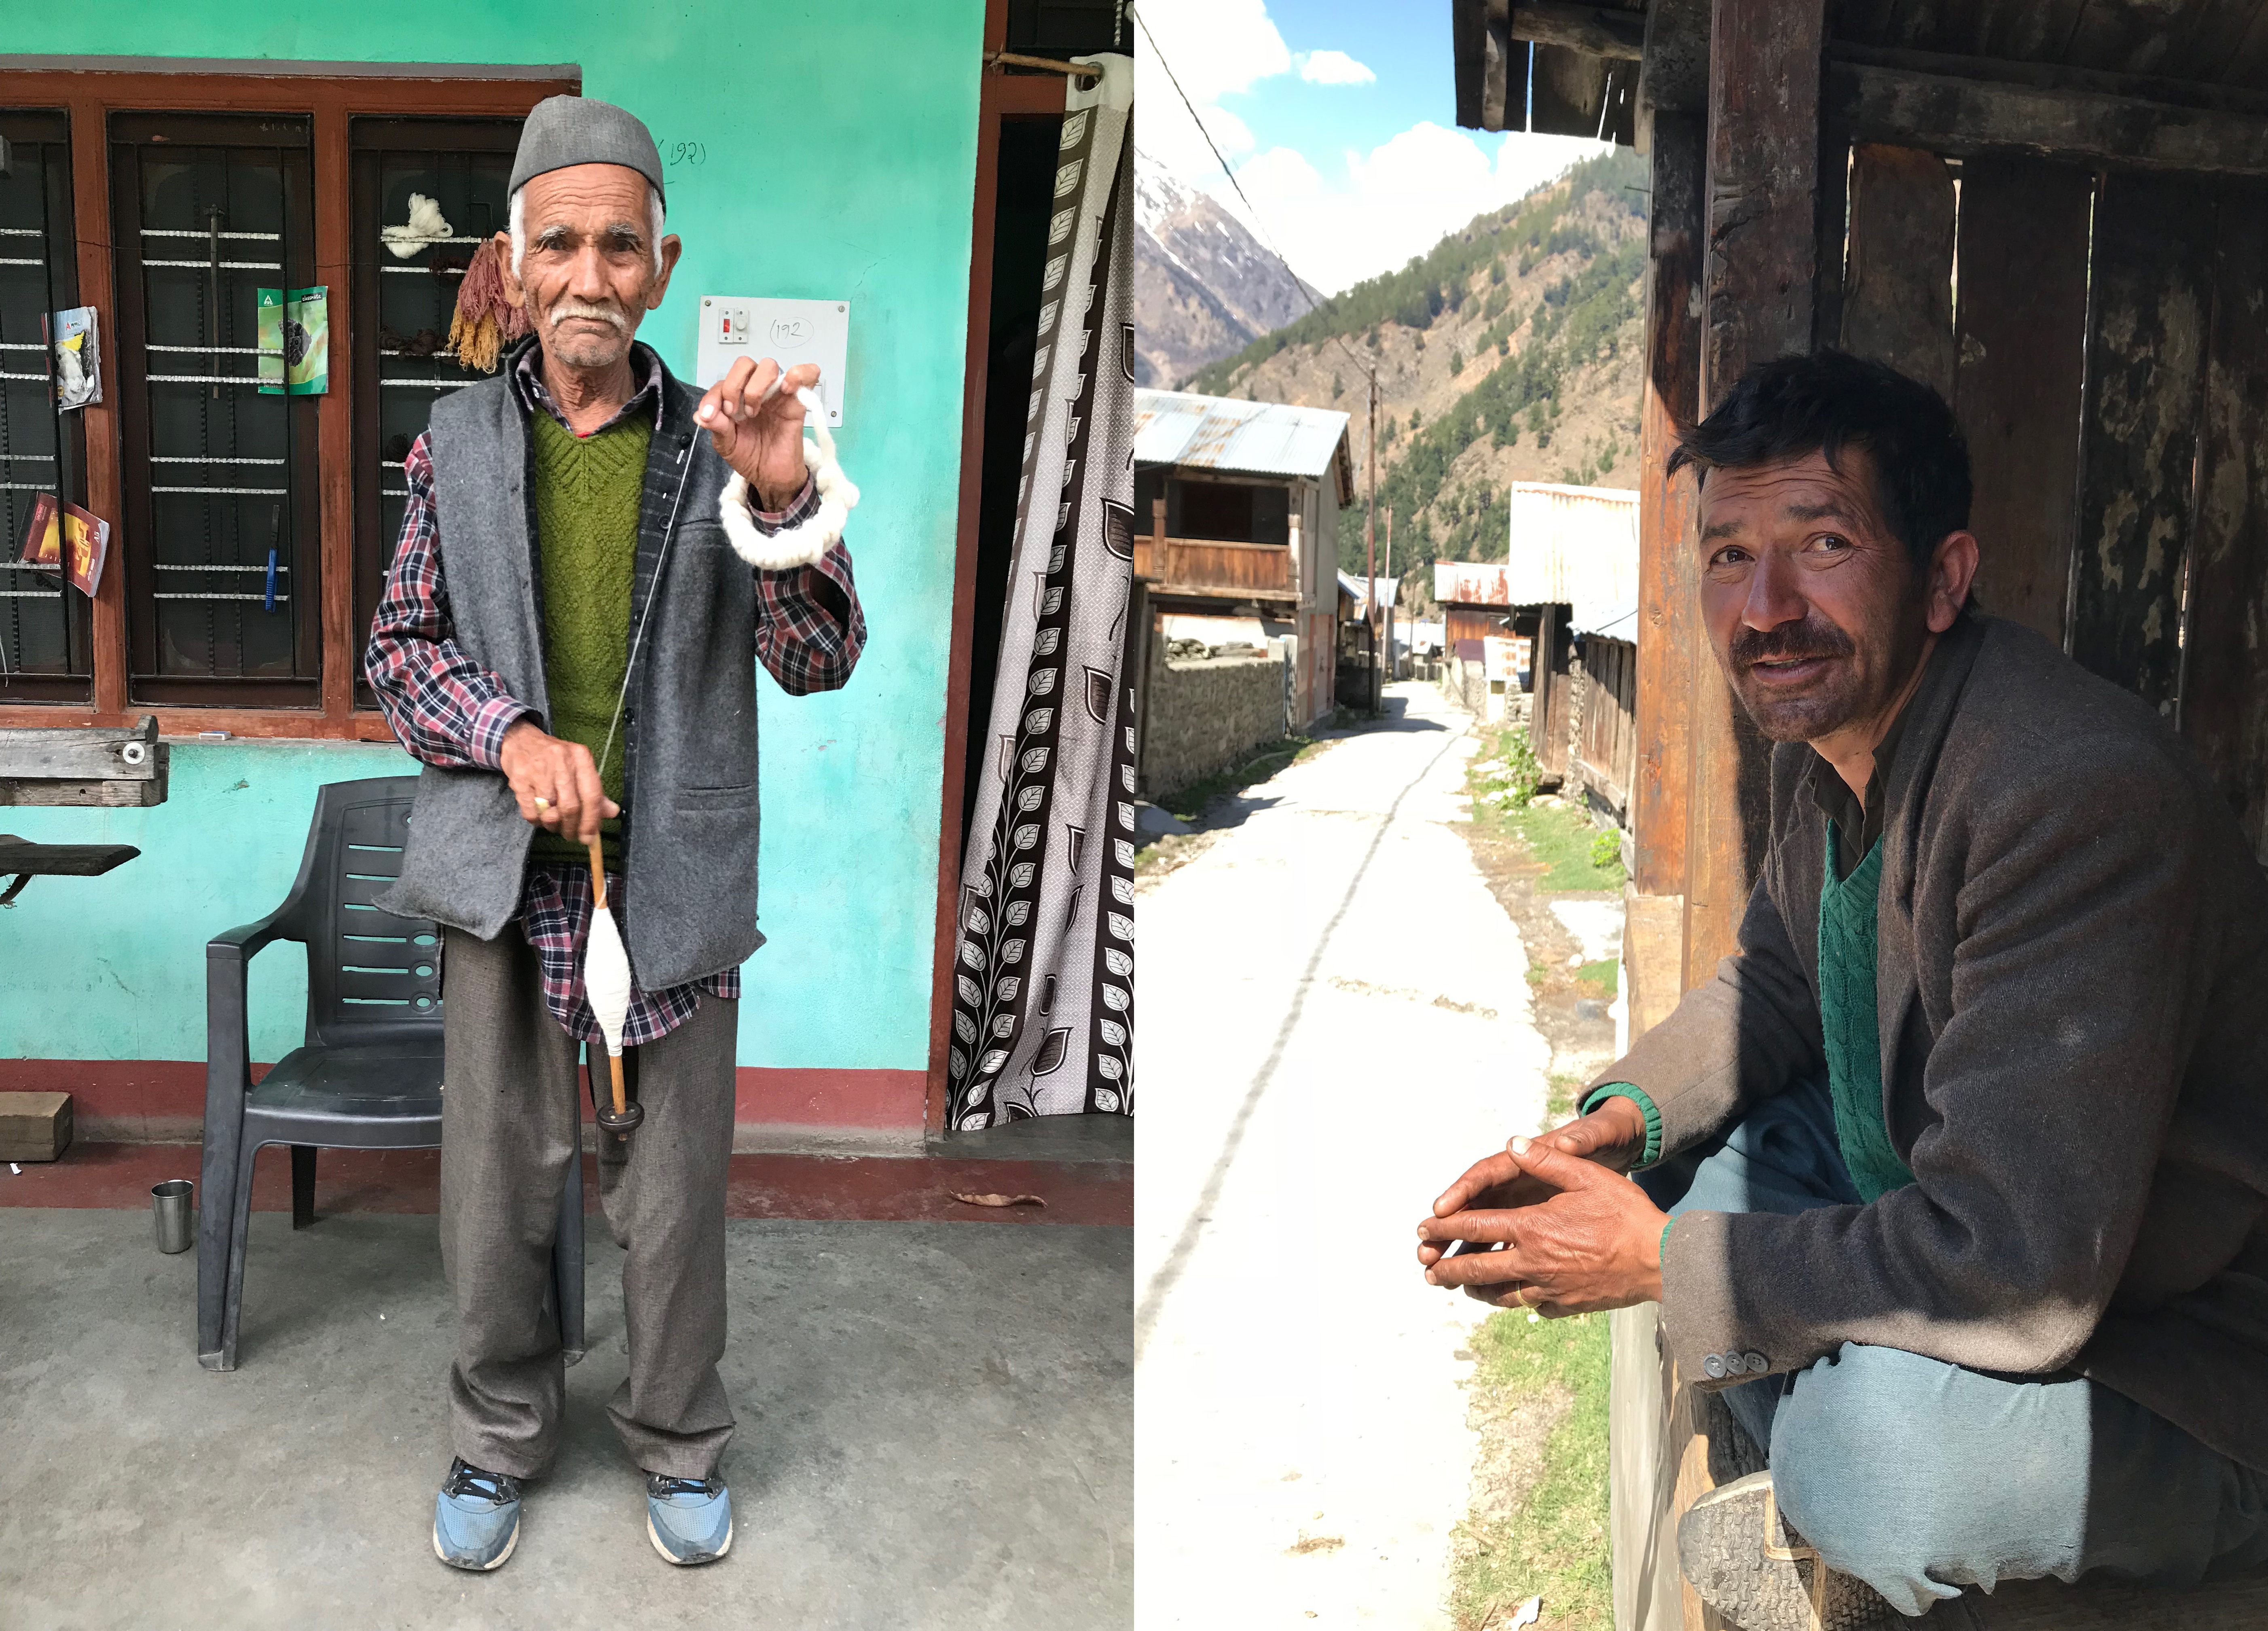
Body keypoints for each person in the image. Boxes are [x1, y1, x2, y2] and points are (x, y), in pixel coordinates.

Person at [1414, 352, 2268, 1627]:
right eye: (1725, 556)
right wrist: (1614, 1124)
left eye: (1821, 543)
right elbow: (1772, 984)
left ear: (1944, 580)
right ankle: (1823, 1445)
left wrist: (1661, 1264)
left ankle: (1865, 1491)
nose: (1764, 608)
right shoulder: (1834, 751)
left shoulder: (2068, 791)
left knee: (1875, 1459)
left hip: (2172, 1329)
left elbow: (2022, 1264)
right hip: (1951, 1218)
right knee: (1686, 1174)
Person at [364, 94, 865, 1572]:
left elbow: (822, 657)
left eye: (621, 246)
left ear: (664, 265)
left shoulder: (730, 446)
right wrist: (512, 738)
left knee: (675, 1186)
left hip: (676, 873)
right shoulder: (449, 445)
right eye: (561, 243)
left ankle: (680, 1436)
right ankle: (495, 1438)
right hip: (504, 875)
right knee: (497, 1184)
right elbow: (400, 651)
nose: (591, 274)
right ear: (515, 264)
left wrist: (784, 497)